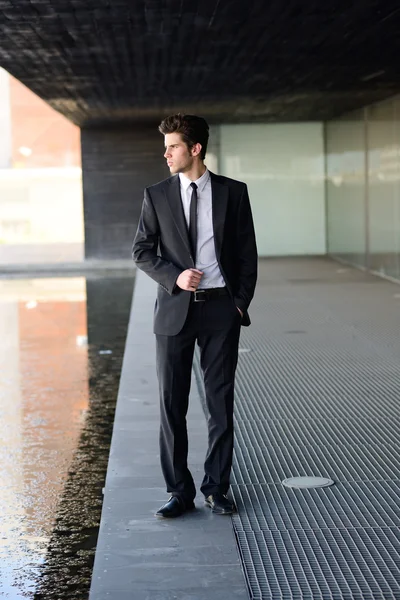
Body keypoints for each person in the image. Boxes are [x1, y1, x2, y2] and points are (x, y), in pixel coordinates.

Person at [132, 114, 258, 518]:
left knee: (220, 404)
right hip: (173, 312)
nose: (166, 153)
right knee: (172, 405)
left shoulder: (233, 193)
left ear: (195, 149)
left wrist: (239, 303)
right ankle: (178, 492)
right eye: (166, 146)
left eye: (173, 146)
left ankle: (216, 488)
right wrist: (174, 276)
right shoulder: (156, 194)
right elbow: (142, 251)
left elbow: (246, 254)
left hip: (221, 309)